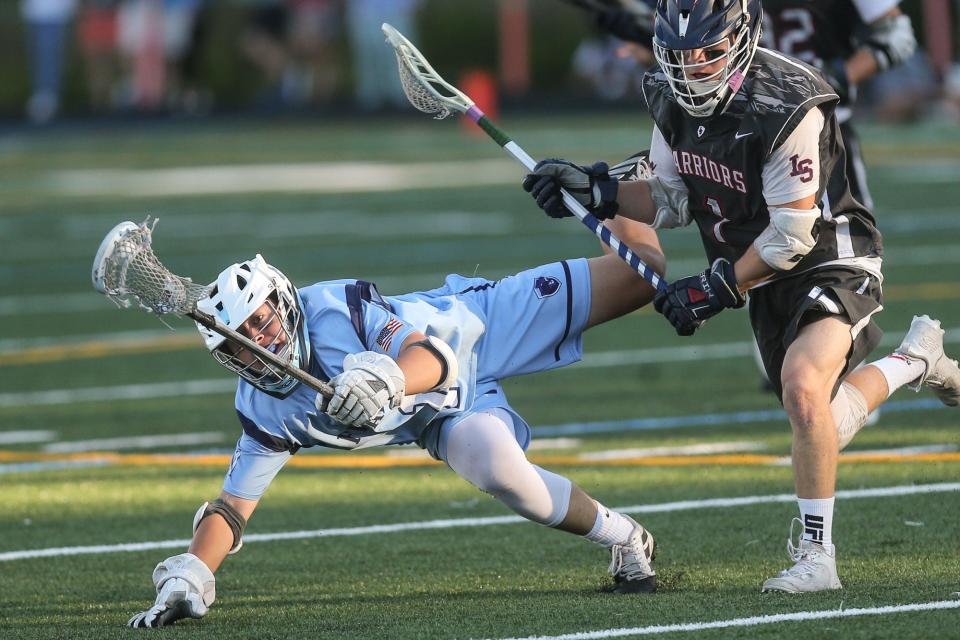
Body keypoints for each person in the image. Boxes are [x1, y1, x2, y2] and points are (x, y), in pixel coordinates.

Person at [522, 0, 960, 593]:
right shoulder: (670, 99)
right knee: (818, 420)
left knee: (804, 390)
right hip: (763, 268)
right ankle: (914, 361)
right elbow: (672, 200)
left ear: (742, 37)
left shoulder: (788, 103)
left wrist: (713, 288)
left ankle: (817, 558)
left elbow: (791, 236)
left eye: (705, 50)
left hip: (830, 256)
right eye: (679, 55)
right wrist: (597, 190)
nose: (693, 67)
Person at [125, 215, 666, 627]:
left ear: (283, 300)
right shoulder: (265, 405)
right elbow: (232, 508)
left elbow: (428, 358)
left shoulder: (336, 308)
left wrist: (384, 379)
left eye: (263, 322)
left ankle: (620, 190)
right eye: (245, 344)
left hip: (476, 328)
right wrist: (192, 575)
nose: (262, 345)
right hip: (442, 415)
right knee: (500, 470)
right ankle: (627, 538)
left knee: (645, 276)